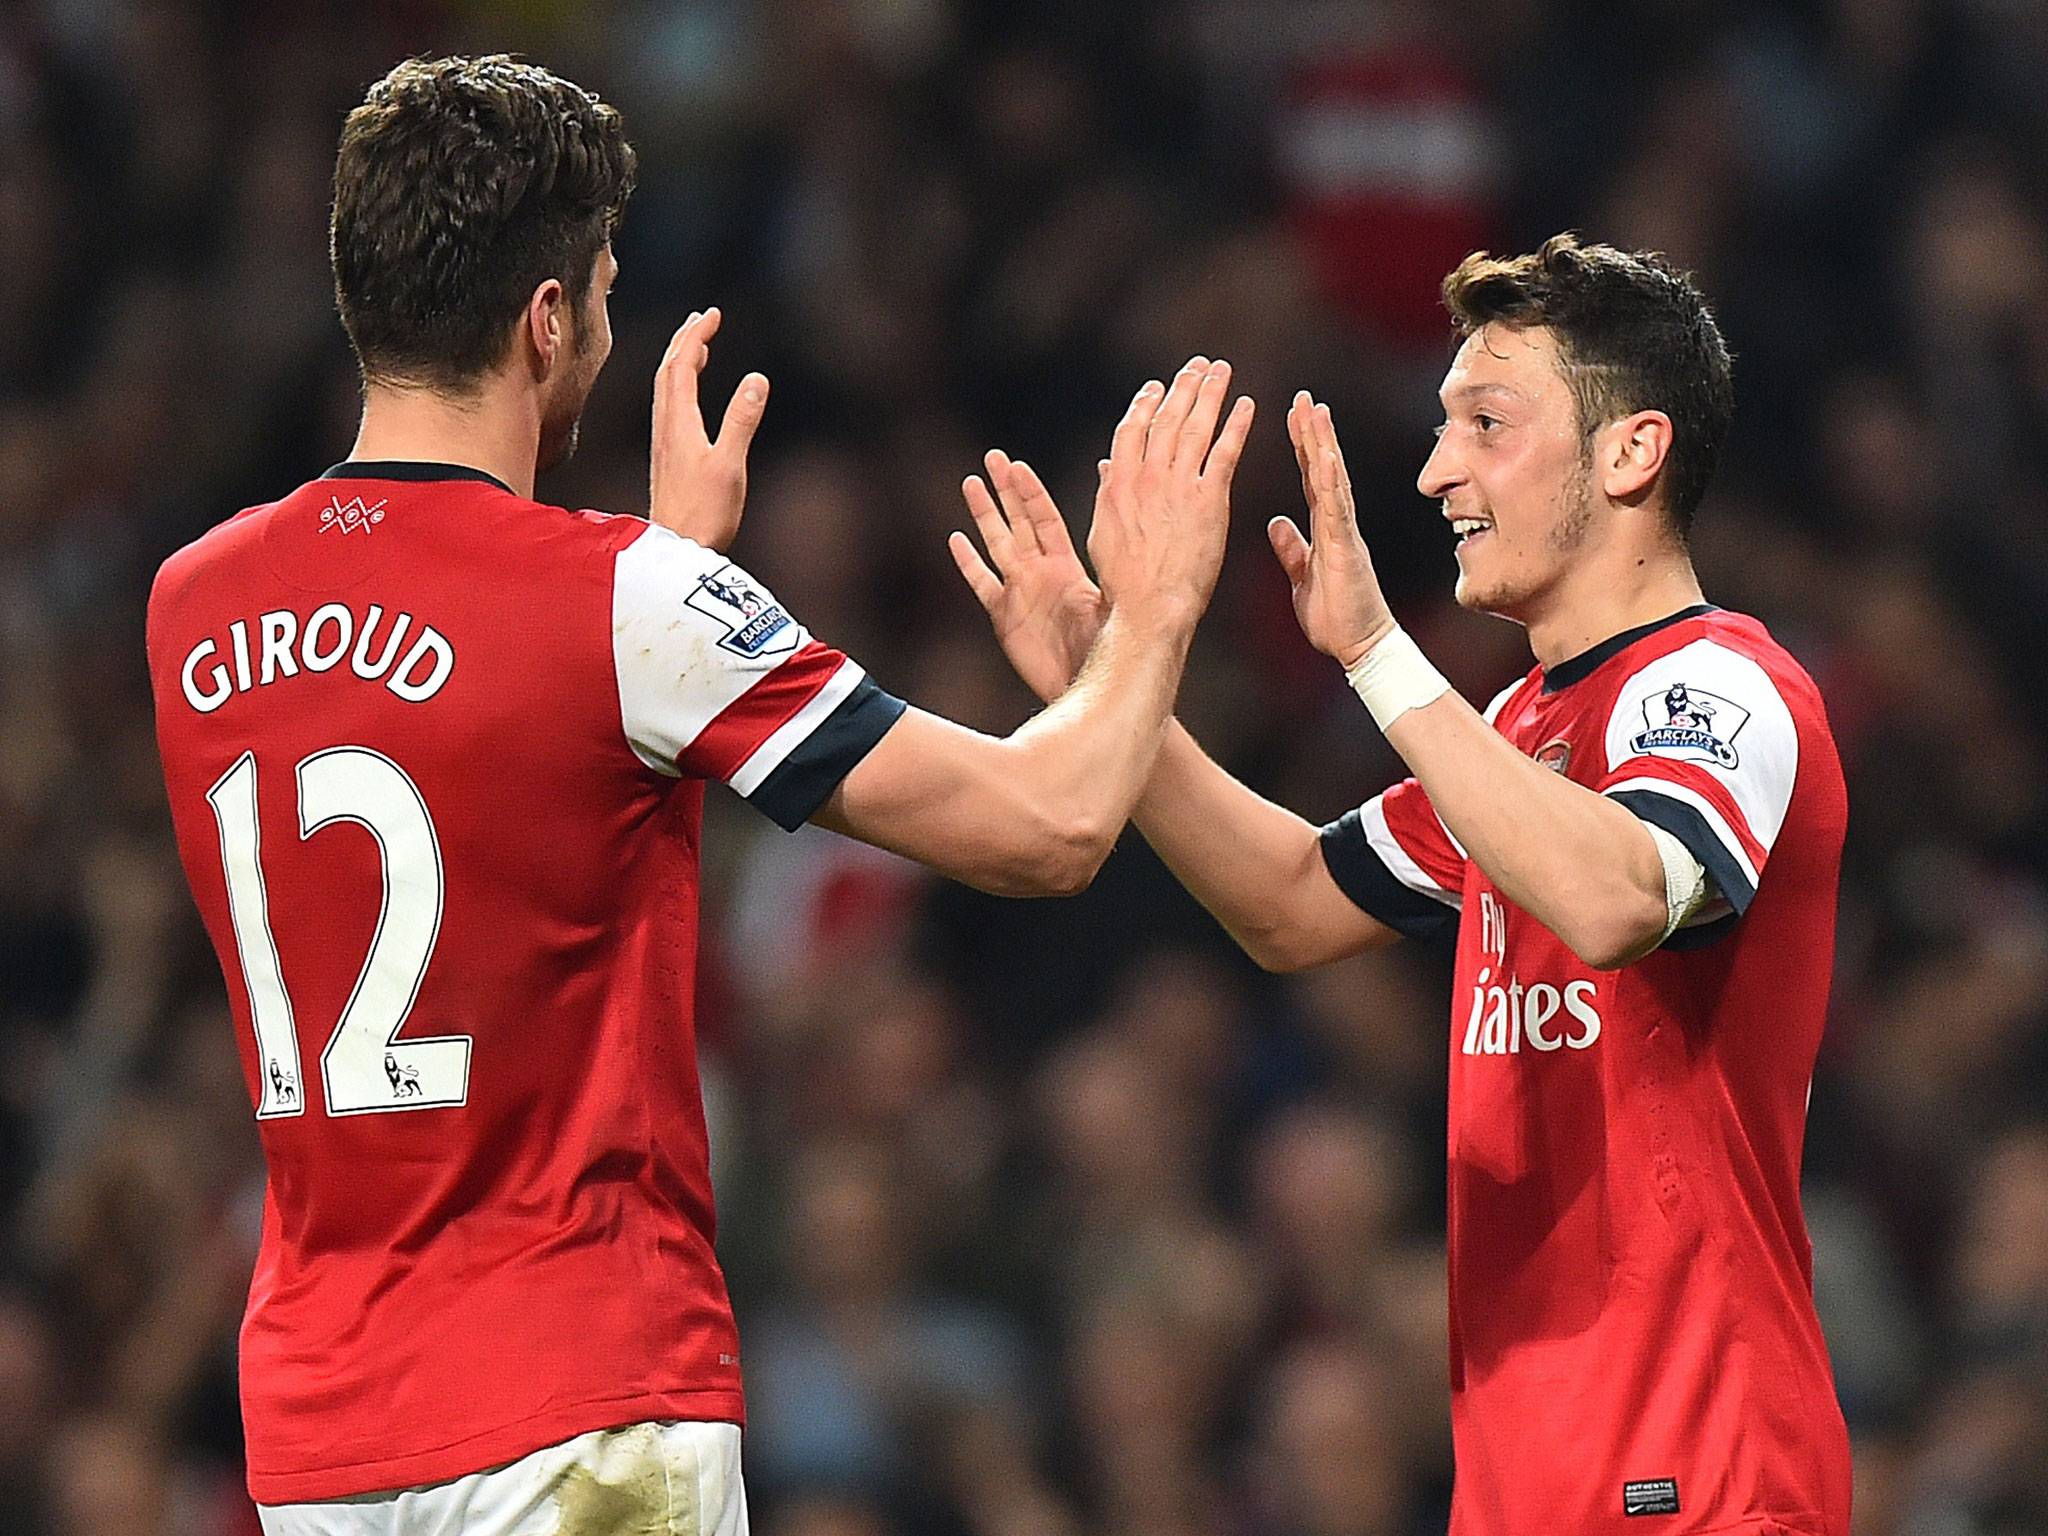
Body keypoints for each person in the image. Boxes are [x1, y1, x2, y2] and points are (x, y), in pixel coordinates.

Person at [144, 55, 1253, 1536]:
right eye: (601, 291)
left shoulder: (191, 608)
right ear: (550, 321)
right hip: (580, 1409)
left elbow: (478, 789)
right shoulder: (619, 605)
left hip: (325, 1440)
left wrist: (674, 578)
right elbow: (1045, 827)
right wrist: (1155, 613)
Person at [953, 235, 1852, 1535]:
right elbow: (1291, 900)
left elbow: (1617, 898)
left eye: (1487, 425)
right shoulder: (1518, 736)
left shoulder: (1721, 686)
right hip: (1519, 1486)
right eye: (1442, 429)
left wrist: (1375, 654)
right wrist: (1114, 674)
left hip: (1702, 1472)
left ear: (1630, 453)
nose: (1437, 474)